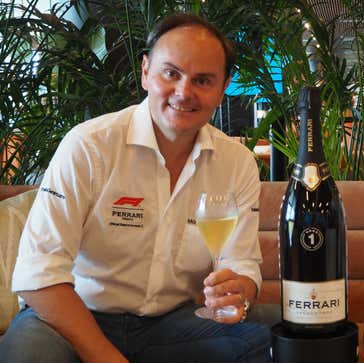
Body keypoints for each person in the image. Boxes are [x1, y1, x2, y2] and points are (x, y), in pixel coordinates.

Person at [0, 13, 275, 363]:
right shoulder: (89, 146)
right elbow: (38, 273)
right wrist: (106, 356)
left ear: (223, 89)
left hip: (174, 324)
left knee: (299, 333)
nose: (183, 92)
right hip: (76, 317)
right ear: (146, 71)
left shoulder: (236, 162)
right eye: (171, 73)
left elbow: (242, 263)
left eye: (202, 80)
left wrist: (239, 292)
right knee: (28, 355)